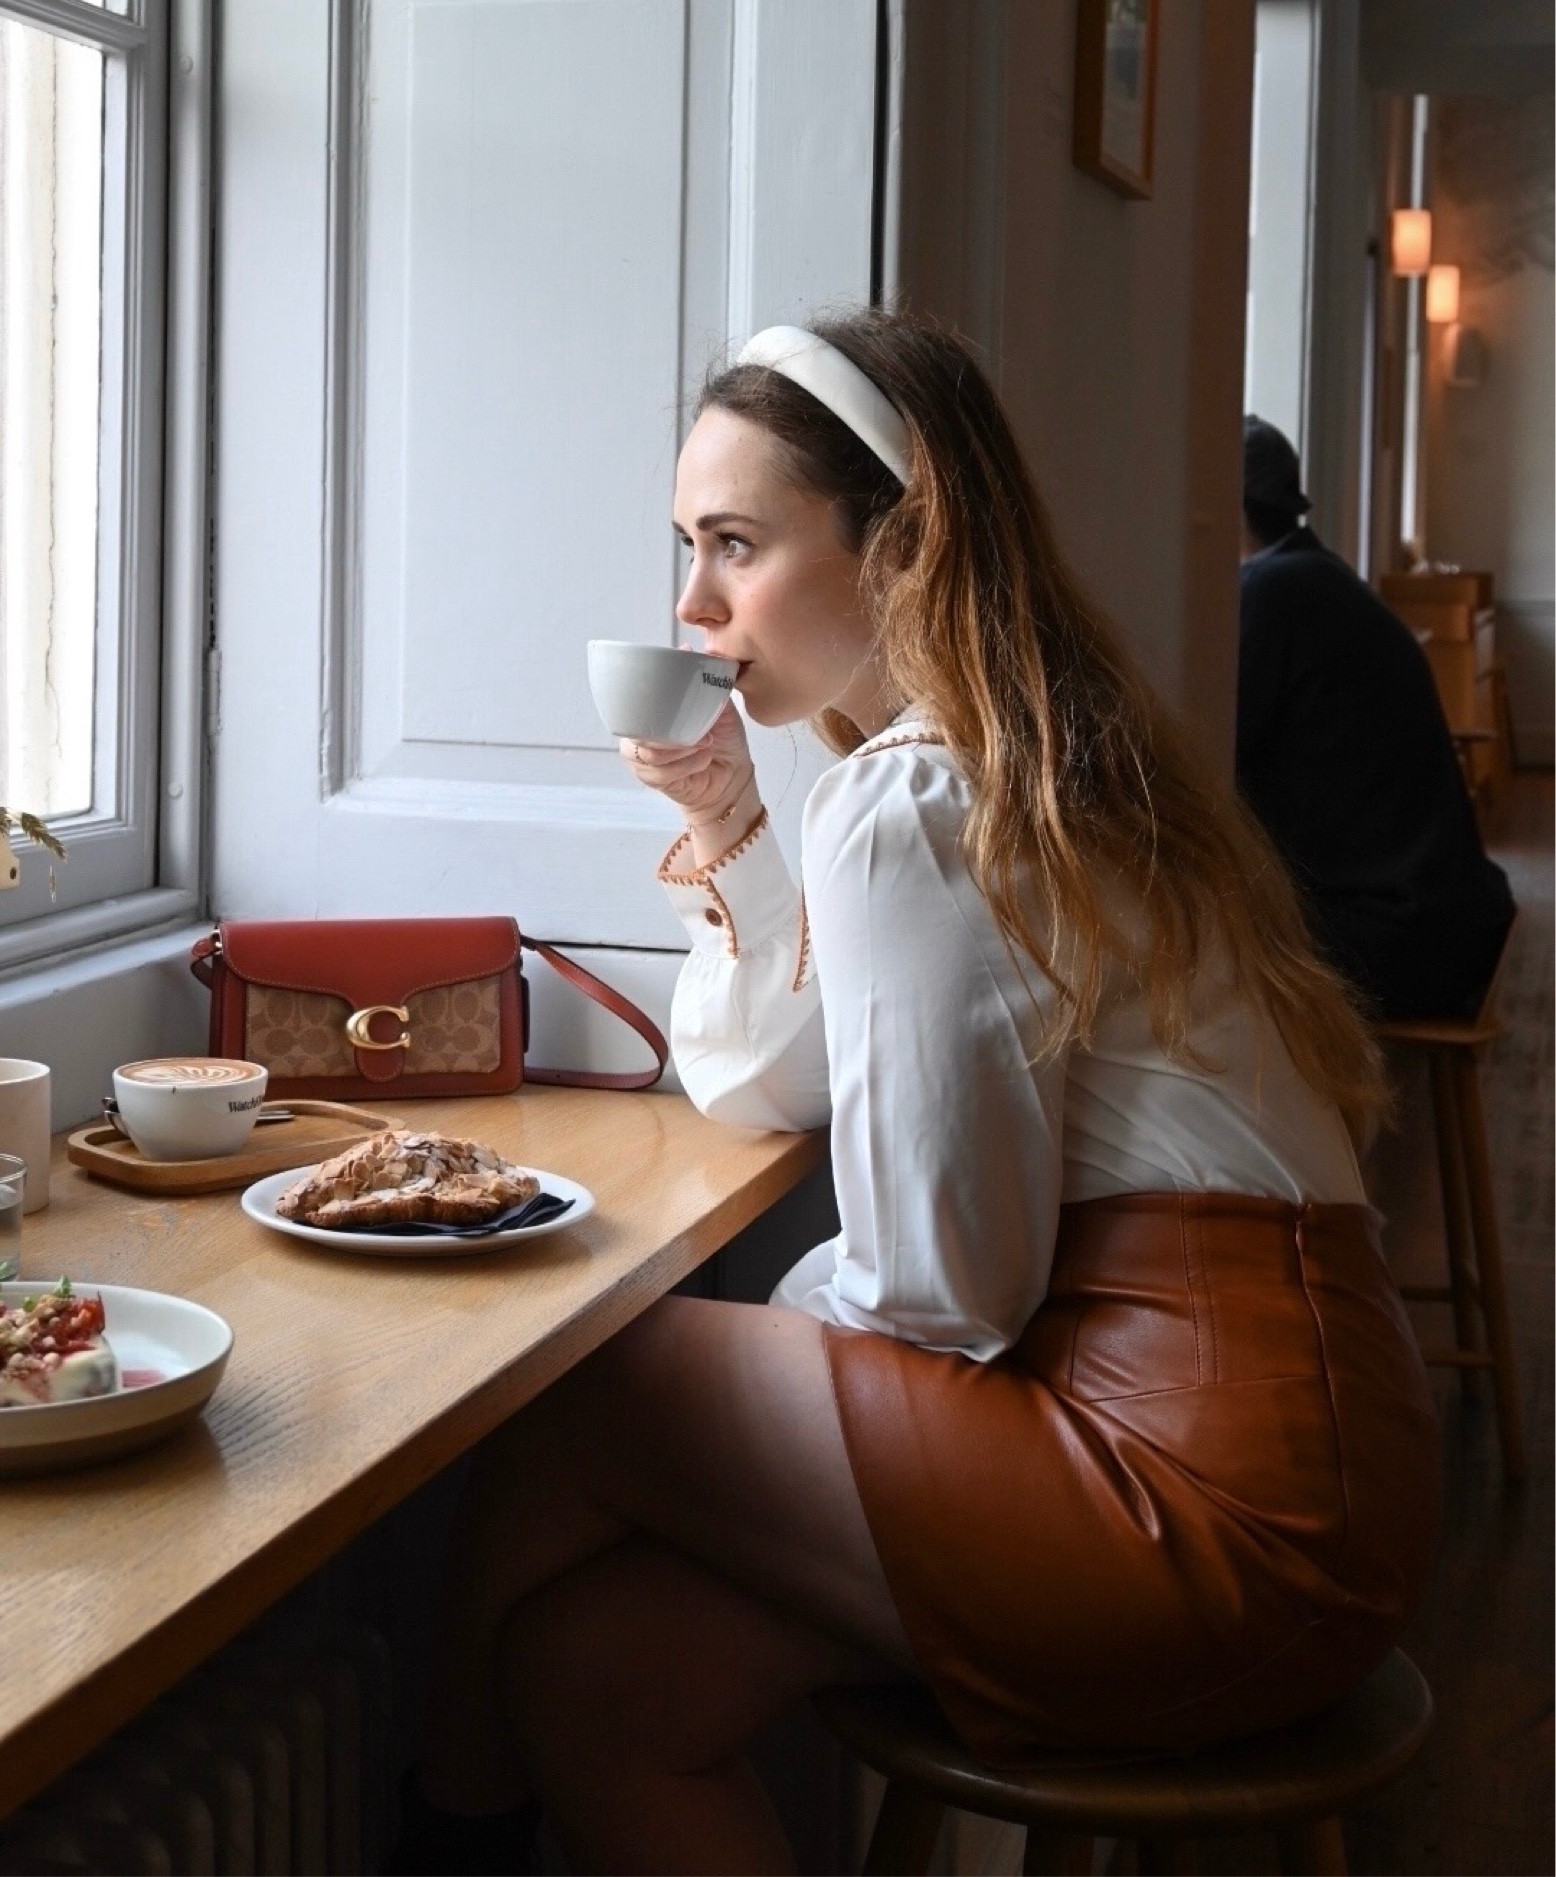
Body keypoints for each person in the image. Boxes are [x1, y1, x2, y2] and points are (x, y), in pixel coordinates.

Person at [397, 316, 1440, 1876]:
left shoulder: (923, 795)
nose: (691, 606)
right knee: (596, 1676)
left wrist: (729, 1394)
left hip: (1207, 1509)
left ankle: (441, 1827)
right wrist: (739, 826)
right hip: (1318, 1484)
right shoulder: (1015, 763)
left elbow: (943, 1292)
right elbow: (765, 1082)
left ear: (904, 546)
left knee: (575, 1370)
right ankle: (461, 1808)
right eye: (688, 547)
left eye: (736, 545)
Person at [1238, 415, 1514, 1022]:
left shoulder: (1270, 593)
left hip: (1401, 940)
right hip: (1450, 917)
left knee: (1194, 939)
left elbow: (1216, 751)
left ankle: (1282, 1117)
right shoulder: (1321, 576)